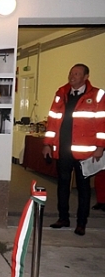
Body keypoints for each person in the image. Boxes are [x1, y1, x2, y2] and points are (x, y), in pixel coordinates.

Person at [43, 64, 105, 236]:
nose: (72, 76)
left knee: (83, 188)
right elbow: (52, 120)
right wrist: (47, 144)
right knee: (62, 185)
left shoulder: (97, 95)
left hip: (85, 152)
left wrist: (100, 146)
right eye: (71, 73)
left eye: (77, 74)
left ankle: (81, 223)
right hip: (63, 149)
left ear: (86, 77)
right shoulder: (61, 93)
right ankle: (63, 218)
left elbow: (102, 123)